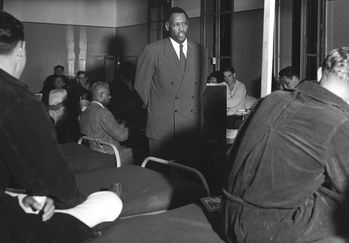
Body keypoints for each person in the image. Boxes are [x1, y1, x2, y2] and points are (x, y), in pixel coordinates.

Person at [223, 47, 349, 243]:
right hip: (269, 229)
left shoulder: (271, 99)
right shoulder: (342, 123)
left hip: (229, 214)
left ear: (318, 73)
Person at [0, 11, 122, 243]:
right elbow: (59, 184)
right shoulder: (19, 101)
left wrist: (21, 197)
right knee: (109, 202)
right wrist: (55, 199)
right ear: (21, 49)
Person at [134, 7, 207, 168]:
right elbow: (141, 86)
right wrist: (158, 108)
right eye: (176, 25)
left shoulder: (200, 50)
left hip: (191, 125)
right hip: (163, 125)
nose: (181, 29)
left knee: (190, 173)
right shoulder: (153, 50)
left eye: (184, 24)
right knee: (161, 174)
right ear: (167, 26)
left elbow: (201, 87)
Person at [80, 82, 134, 165]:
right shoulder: (103, 112)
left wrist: (119, 126)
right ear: (100, 95)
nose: (110, 96)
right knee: (136, 151)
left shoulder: (86, 110)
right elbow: (122, 136)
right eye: (108, 94)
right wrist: (132, 128)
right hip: (109, 153)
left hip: (93, 149)